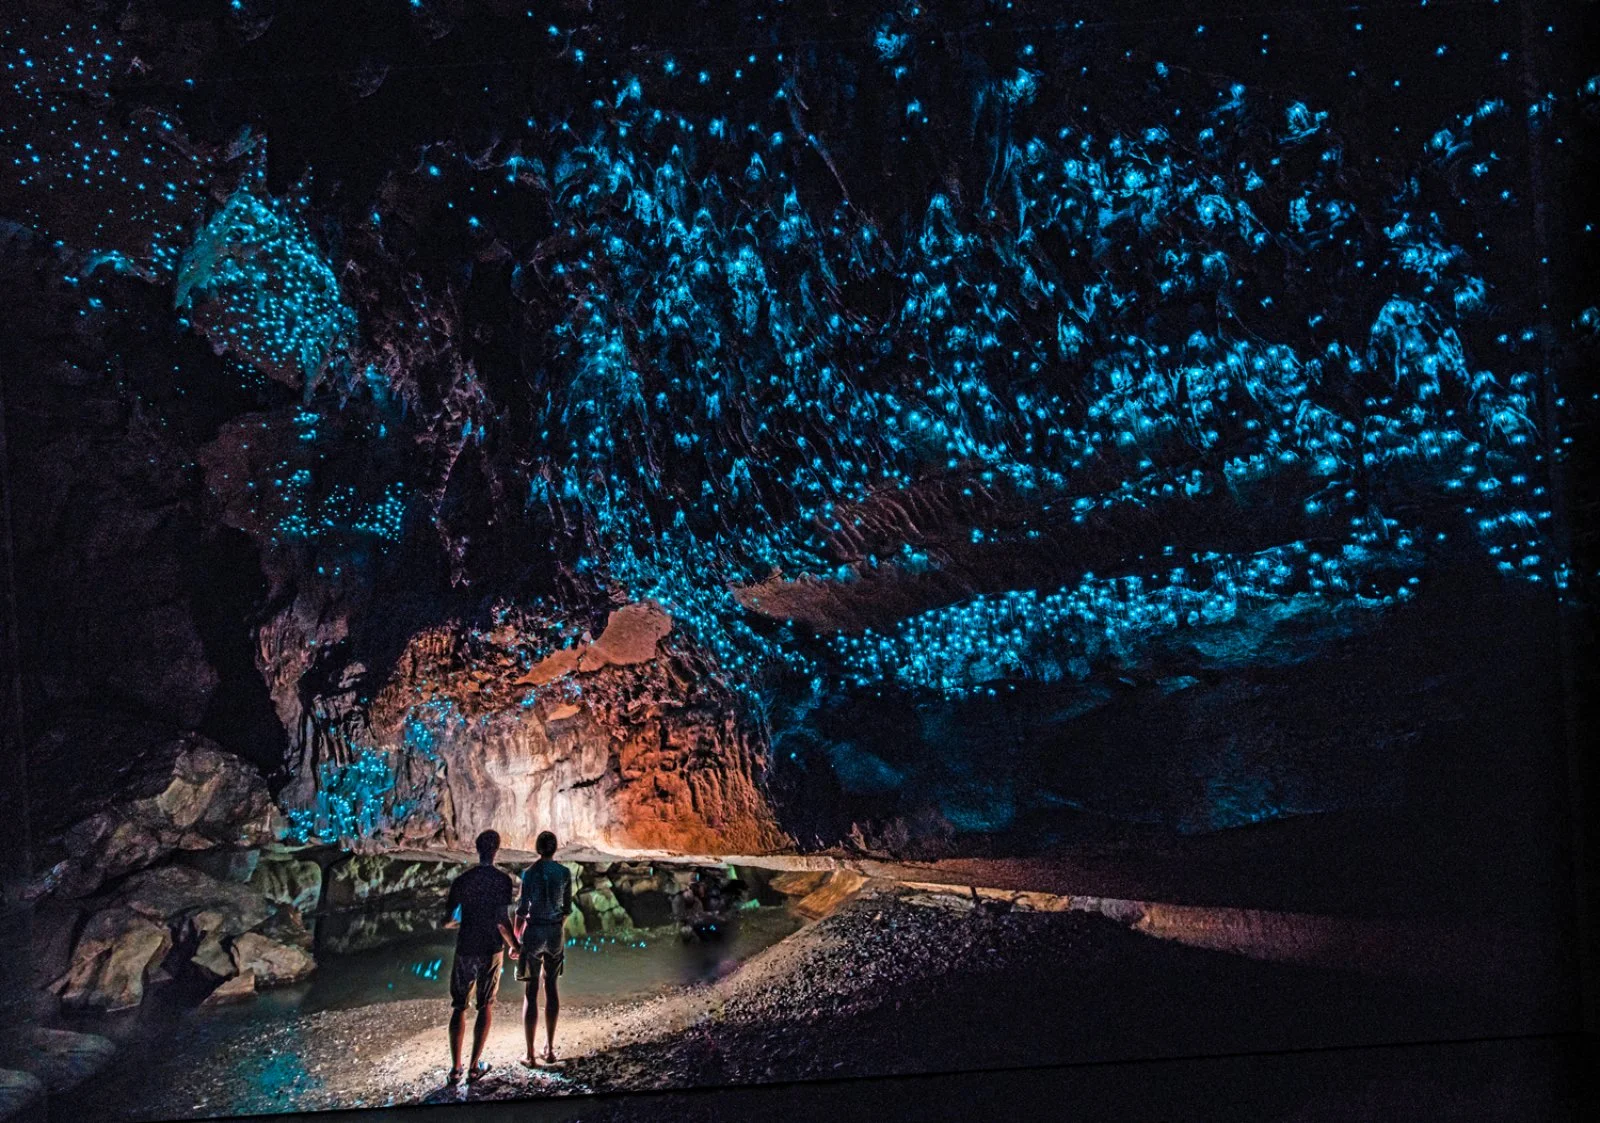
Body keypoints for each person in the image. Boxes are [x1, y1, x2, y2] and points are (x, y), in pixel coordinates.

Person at [440, 829, 517, 1085]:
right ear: (496, 850)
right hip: (490, 949)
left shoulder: (462, 881)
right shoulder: (502, 881)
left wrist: (456, 924)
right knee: (485, 1004)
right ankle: (474, 1068)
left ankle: (455, 1069)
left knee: (459, 1006)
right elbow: (501, 920)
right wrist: (514, 945)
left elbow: (448, 920)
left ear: (477, 848)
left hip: (466, 947)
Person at [513, 830, 573, 1065]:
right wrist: (556, 926)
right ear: (554, 848)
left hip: (534, 931)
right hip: (554, 931)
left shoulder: (530, 873)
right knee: (551, 987)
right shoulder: (564, 873)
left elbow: (521, 908)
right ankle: (549, 1050)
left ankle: (530, 1053)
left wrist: (518, 939)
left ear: (538, 848)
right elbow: (567, 908)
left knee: (531, 991)